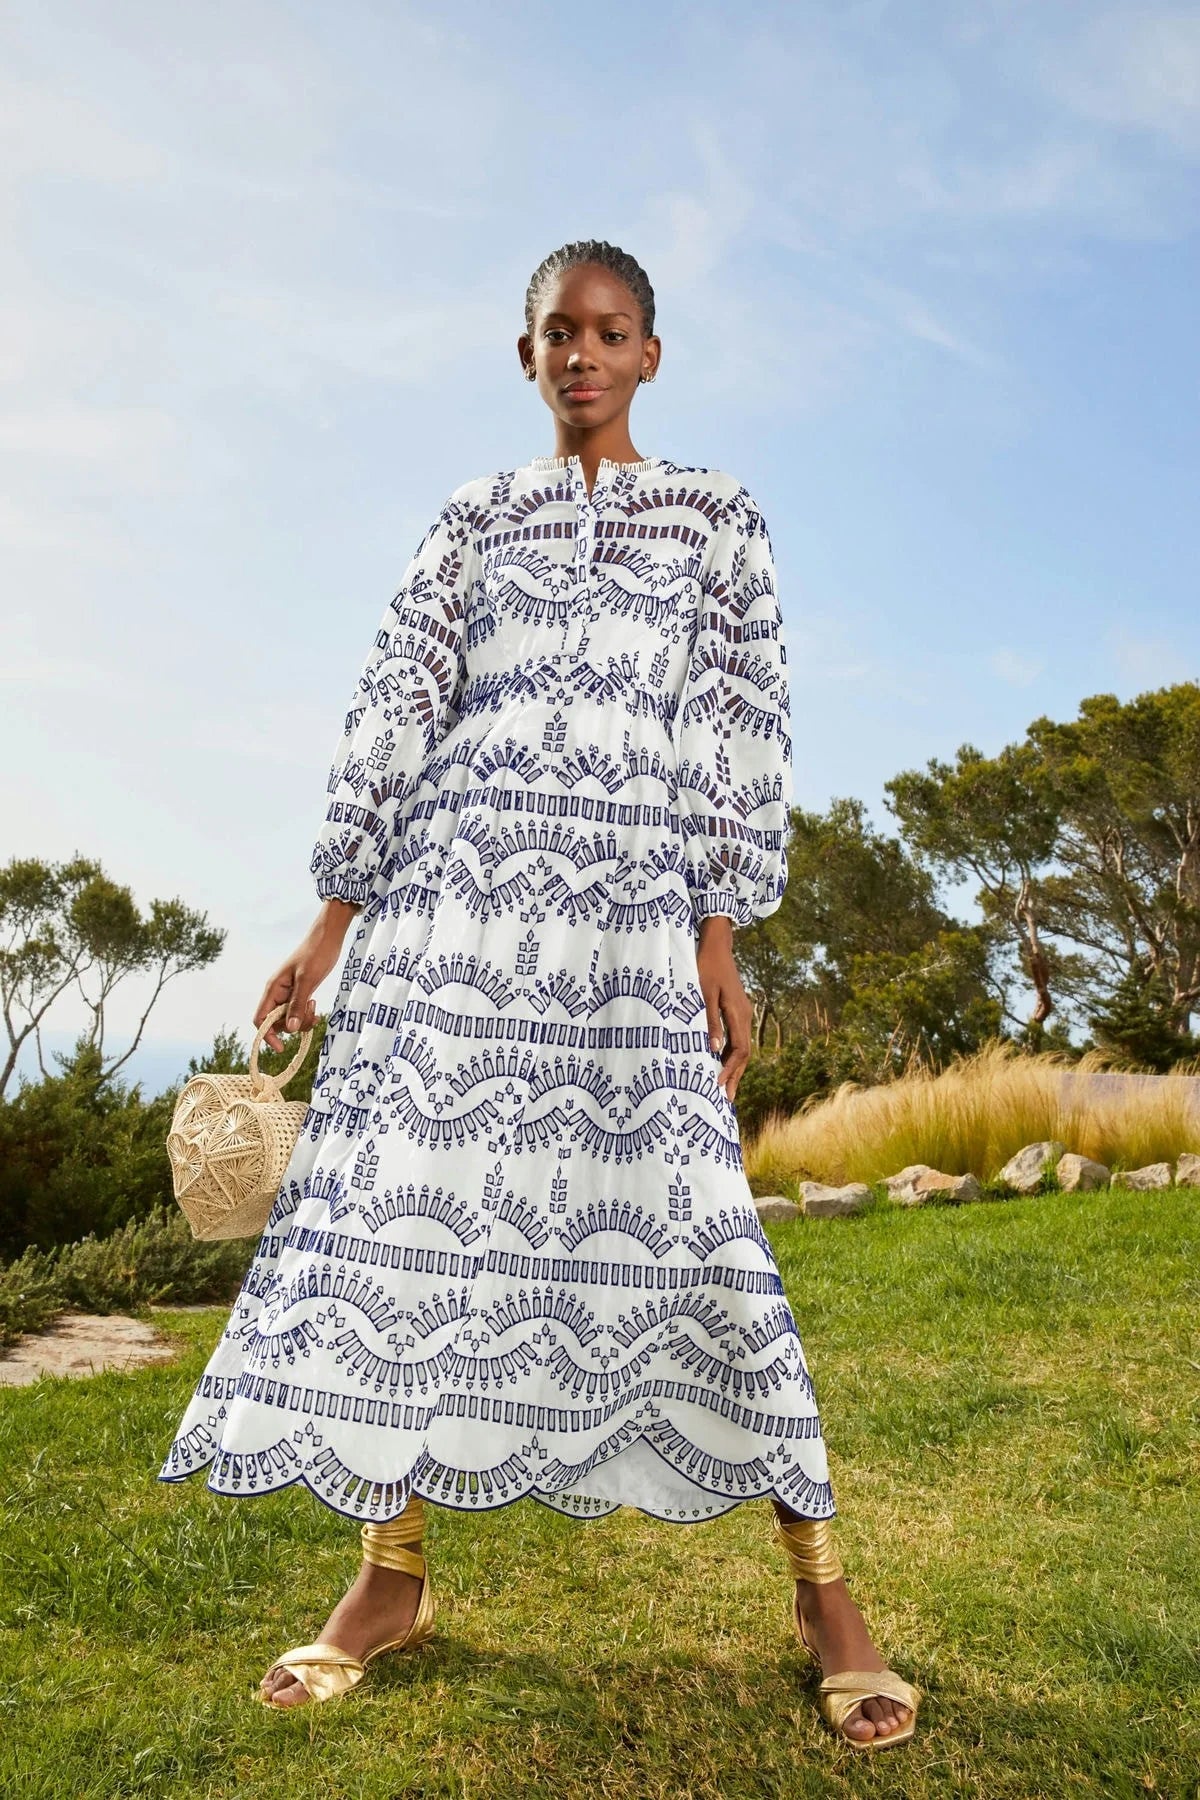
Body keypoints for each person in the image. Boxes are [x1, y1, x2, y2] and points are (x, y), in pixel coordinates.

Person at [158, 238, 918, 1750]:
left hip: (631, 923)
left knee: (698, 1230)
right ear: (525, 358)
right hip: (451, 917)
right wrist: (328, 932)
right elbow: (396, 708)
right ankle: (389, 1577)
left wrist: (720, 928)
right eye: (556, 334)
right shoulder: (470, 522)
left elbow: (739, 726)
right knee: (412, 1236)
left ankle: (825, 1590)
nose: (581, 354)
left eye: (610, 332)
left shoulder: (716, 521)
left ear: (650, 354)